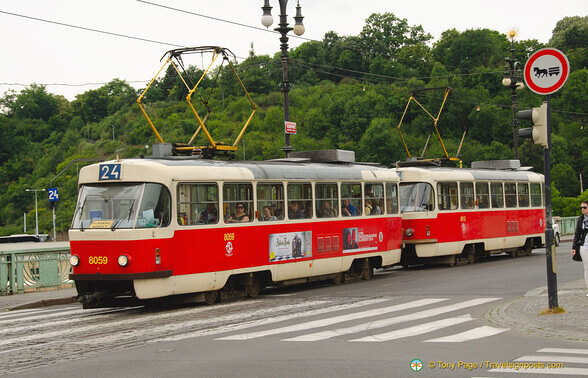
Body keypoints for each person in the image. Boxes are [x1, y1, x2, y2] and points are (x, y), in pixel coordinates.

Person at [571, 201, 588, 296]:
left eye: (584, 207)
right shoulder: (581, 220)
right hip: (584, 246)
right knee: (587, 268)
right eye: (581, 207)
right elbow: (577, 234)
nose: (582, 209)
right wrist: (574, 247)